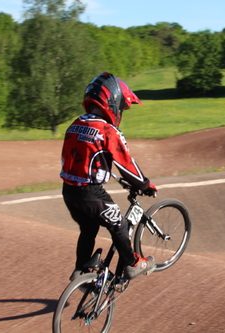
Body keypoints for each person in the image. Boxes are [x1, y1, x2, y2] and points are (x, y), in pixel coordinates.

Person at [60, 72, 157, 282]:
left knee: (89, 229)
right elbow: (127, 165)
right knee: (120, 225)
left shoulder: (75, 124)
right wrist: (145, 184)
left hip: (69, 192)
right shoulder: (108, 131)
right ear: (112, 103)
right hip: (90, 193)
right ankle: (132, 265)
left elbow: (83, 159)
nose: (120, 112)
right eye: (121, 107)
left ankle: (81, 272)